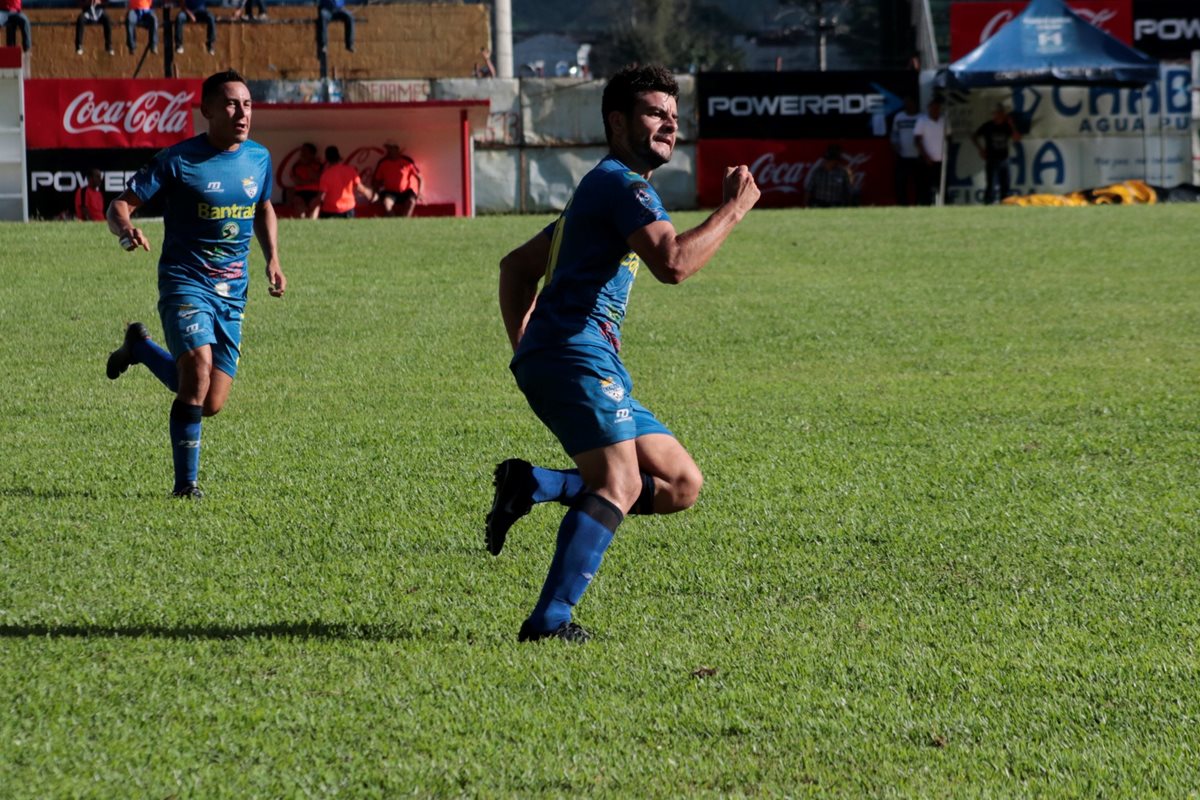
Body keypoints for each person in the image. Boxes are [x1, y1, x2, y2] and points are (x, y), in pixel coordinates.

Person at [489, 64, 760, 643]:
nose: (669, 124)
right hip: (575, 354)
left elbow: (517, 266)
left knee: (681, 484)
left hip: (580, 357)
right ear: (617, 120)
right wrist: (733, 209)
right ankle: (549, 621)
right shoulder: (623, 186)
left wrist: (526, 347)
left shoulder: (603, 190)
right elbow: (675, 264)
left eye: (674, 116)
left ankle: (535, 483)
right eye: (654, 113)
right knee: (621, 483)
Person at [104, 70, 286, 499]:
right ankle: (186, 486)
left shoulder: (258, 158)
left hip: (232, 291)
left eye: (247, 104)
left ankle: (140, 348)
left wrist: (273, 257)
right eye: (230, 104)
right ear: (205, 110)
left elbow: (263, 208)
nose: (241, 113)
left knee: (210, 402)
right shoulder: (178, 159)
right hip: (185, 282)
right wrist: (125, 229)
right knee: (198, 369)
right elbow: (119, 205)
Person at [973, 103, 1021, 204]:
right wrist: (981, 149)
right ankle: (988, 205)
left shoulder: (1007, 126)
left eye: (1001, 113)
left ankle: (1005, 204)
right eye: (997, 113)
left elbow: (1017, 138)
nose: (999, 115)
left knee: (1006, 185)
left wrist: (1012, 124)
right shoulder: (988, 126)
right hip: (992, 160)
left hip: (1005, 159)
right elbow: (974, 136)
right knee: (991, 185)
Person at [317, 145, 374, 218]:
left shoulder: (326, 175)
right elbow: (360, 188)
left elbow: (321, 195)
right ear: (338, 157)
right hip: (348, 208)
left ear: (327, 159)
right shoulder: (350, 170)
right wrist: (371, 194)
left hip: (331, 210)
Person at [372, 140, 421, 217]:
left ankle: (405, 221)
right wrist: (375, 193)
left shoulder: (407, 162)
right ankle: (395, 222)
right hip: (390, 192)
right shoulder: (383, 163)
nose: (389, 151)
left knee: (411, 201)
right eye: (388, 149)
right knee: (387, 203)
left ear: (397, 150)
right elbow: (377, 181)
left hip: (405, 192)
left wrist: (420, 193)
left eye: (391, 149)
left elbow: (420, 178)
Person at [913, 97, 946, 206]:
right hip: (926, 160)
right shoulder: (922, 121)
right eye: (933, 108)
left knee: (941, 185)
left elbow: (949, 138)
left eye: (937, 108)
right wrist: (925, 156)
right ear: (929, 109)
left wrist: (946, 155)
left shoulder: (944, 120)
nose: (935, 110)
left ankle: (942, 204)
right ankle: (925, 205)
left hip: (941, 159)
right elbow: (917, 140)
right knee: (925, 185)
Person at [889, 95, 921, 206]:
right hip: (903, 156)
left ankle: (920, 203)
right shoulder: (899, 117)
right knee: (900, 182)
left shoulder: (921, 118)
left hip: (918, 156)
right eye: (905, 104)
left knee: (920, 182)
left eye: (909, 103)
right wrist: (894, 143)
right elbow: (894, 133)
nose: (907, 106)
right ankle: (903, 204)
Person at [804, 144, 855, 208]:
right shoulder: (817, 172)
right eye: (826, 160)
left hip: (836, 205)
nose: (826, 162)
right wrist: (806, 206)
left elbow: (848, 191)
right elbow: (809, 190)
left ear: (835, 161)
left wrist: (849, 206)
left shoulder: (842, 172)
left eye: (829, 160)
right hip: (819, 204)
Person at [289, 142, 323, 219]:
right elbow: (297, 181)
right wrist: (310, 182)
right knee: (301, 213)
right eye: (302, 151)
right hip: (300, 192)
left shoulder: (318, 164)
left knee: (314, 212)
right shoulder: (296, 166)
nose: (302, 153)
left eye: (305, 151)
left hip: (315, 192)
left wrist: (307, 165)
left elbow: (318, 178)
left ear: (312, 153)